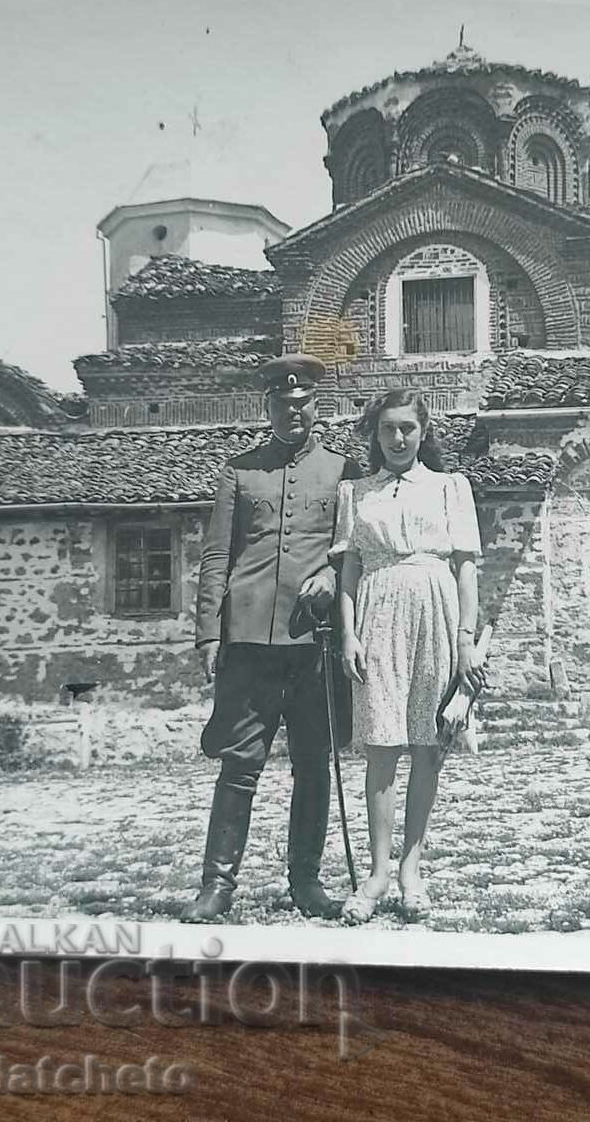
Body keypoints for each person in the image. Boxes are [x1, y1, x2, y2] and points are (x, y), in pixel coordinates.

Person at [182, 353, 362, 924]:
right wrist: (209, 631)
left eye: (303, 404)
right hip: (249, 640)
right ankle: (216, 886)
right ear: (268, 408)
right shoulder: (239, 471)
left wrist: (332, 578)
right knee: (238, 764)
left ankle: (305, 882)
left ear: (316, 407)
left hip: (314, 641)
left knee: (313, 765)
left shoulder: (343, 472)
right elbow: (217, 554)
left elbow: (351, 550)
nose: (293, 413)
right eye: (282, 405)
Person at [331, 389, 486, 924]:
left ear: (424, 433)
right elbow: (348, 570)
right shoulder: (355, 493)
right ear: (374, 434)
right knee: (381, 744)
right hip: (377, 615)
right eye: (388, 429)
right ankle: (376, 873)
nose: (398, 439)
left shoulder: (450, 488)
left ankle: (411, 869)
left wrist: (466, 639)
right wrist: (347, 635)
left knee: (428, 745)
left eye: (408, 429)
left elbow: (466, 567)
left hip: (437, 613)